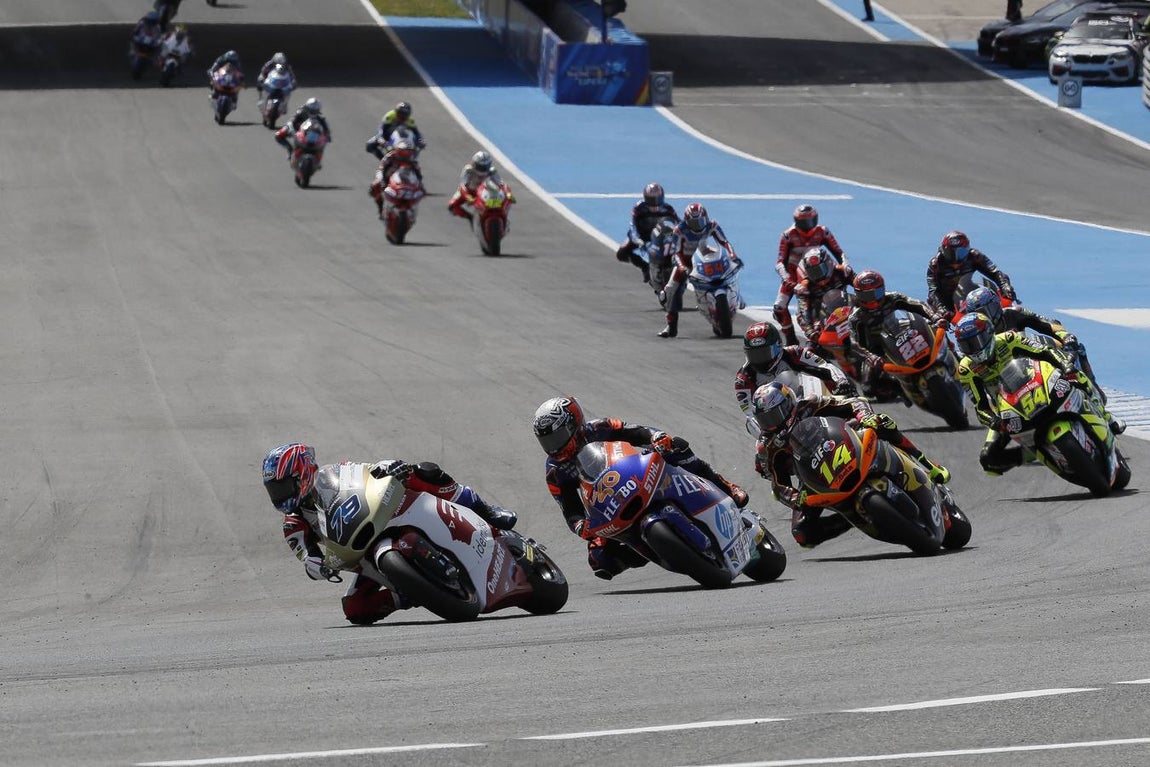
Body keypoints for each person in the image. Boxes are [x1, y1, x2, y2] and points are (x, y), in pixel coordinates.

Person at [262, 443, 517, 625]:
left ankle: (484, 509)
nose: (280, 495)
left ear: (303, 473)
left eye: (284, 486)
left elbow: (367, 471)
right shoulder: (293, 524)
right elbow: (308, 556)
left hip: (385, 515)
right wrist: (317, 567)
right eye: (274, 490)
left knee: (421, 471)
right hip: (360, 555)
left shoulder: (333, 474)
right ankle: (411, 592)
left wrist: (387, 468)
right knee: (355, 609)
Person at [532, 396, 749, 580]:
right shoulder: (554, 470)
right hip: (607, 504)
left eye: (557, 437)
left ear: (574, 424)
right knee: (599, 560)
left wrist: (657, 438)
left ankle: (726, 487)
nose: (554, 446)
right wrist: (581, 526)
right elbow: (569, 509)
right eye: (547, 441)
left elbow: (636, 432)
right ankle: (656, 549)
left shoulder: (599, 428)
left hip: (636, 472)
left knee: (677, 448)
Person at [750, 382, 950, 548]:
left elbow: (852, 402)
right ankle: (851, 519)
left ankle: (928, 465)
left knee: (883, 422)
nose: (772, 424)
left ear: (788, 404)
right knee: (803, 535)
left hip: (848, 442)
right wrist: (796, 497)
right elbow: (778, 485)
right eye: (765, 420)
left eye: (774, 415)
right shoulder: (768, 445)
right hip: (814, 477)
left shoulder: (810, 403)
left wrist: (865, 417)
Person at [953, 313, 1123, 476]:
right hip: (1009, 409)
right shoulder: (966, 369)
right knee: (989, 460)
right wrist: (994, 422)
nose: (975, 348)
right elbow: (980, 406)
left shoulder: (1008, 339)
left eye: (977, 341)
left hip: (1038, 384)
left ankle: (1107, 417)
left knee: (1076, 375)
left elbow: (1045, 351)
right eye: (968, 345)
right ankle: (1034, 451)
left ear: (989, 334)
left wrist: (1065, 365)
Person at [959, 287, 1102, 397]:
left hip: (1030, 360)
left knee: (1067, 346)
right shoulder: (974, 335)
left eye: (986, 311)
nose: (984, 317)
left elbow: (1049, 324)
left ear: (996, 305)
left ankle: (1091, 388)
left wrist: (1067, 340)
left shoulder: (1014, 313)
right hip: (1001, 379)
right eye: (978, 314)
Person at [846, 269, 948, 395]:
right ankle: (900, 389)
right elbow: (852, 342)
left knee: (937, 330)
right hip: (876, 351)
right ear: (859, 295)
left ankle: (953, 359)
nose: (873, 300)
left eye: (876, 293)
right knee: (868, 389)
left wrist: (935, 317)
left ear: (882, 289)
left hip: (899, 334)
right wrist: (870, 356)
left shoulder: (892, 297)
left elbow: (918, 304)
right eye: (867, 296)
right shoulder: (856, 317)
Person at [658, 203, 742, 338]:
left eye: (700, 221)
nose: (698, 225)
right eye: (694, 222)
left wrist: (733, 255)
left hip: (705, 259)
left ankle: (739, 298)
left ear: (706, 218)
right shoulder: (679, 230)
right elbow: (676, 252)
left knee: (731, 269)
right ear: (686, 221)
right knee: (671, 289)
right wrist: (681, 267)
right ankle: (671, 326)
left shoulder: (712, 225)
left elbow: (724, 242)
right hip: (686, 262)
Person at [735, 320, 857, 414]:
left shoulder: (793, 352)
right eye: (754, 355)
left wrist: (841, 381)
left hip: (809, 400)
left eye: (764, 353)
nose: (759, 360)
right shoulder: (743, 380)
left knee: (848, 390)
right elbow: (750, 415)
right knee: (762, 445)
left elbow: (825, 365)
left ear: (778, 346)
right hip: (780, 418)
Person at [775, 204, 848, 346]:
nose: (807, 226)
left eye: (810, 221)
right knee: (779, 307)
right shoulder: (788, 235)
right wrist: (788, 281)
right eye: (803, 222)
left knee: (832, 298)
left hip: (817, 273)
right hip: (794, 275)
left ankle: (835, 330)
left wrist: (845, 266)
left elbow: (839, 253)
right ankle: (790, 339)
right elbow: (779, 263)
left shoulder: (823, 232)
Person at [926, 231, 1016, 319]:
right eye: (950, 253)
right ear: (943, 251)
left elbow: (996, 273)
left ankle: (1013, 326)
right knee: (939, 319)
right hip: (946, 301)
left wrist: (1005, 287)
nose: (955, 258)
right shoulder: (935, 265)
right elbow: (933, 291)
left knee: (1001, 297)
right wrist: (940, 308)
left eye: (961, 253)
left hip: (968, 295)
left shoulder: (975, 256)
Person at [614, 182, 680, 284]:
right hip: (642, 235)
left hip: (661, 236)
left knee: (674, 251)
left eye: (657, 199)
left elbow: (679, 224)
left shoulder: (668, 209)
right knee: (621, 254)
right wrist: (638, 240)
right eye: (651, 200)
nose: (654, 203)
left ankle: (673, 270)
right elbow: (633, 227)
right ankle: (645, 267)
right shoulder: (638, 208)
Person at [793, 246, 854, 343]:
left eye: (820, 270)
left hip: (843, 310)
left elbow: (860, 285)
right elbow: (803, 310)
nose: (818, 276)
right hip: (819, 317)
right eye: (813, 272)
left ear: (828, 263)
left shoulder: (841, 271)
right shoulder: (805, 286)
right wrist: (810, 330)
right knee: (813, 343)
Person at [447, 150, 512, 221]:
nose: (483, 169)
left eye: (485, 166)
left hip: (487, 191)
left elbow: (501, 184)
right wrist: (468, 197)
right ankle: (471, 218)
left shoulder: (492, 170)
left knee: (507, 200)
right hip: (470, 191)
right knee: (452, 206)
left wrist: (508, 193)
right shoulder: (468, 170)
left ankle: (504, 217)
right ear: (474, 164)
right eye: (480, 166)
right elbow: (462, 186)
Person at [370, 137, 423, 219]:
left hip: (402, 178)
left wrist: (420, 184)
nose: (406, 153)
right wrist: (383, 181)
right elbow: (382, 167)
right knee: (376, 185)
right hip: (387, 175)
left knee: (419, 192)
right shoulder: (391, 156)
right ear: (398, 150)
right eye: (404, 150)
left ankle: (411, 209)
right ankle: (380, 209)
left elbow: (417, 172)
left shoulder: (411, 159)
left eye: (408, 150)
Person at [274, 97, 331, 166]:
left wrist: (327, 135)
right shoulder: (300, 112)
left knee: (323, 144)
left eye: (315, 110)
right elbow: (293, 122)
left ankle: (318, 160)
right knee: (278, 135)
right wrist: (294, 131)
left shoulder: (320, 118)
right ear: (307, 108)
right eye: (311, 110)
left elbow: (326, 129)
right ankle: (289, 149)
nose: (313, 112)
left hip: (310, 134)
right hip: (296, 130)